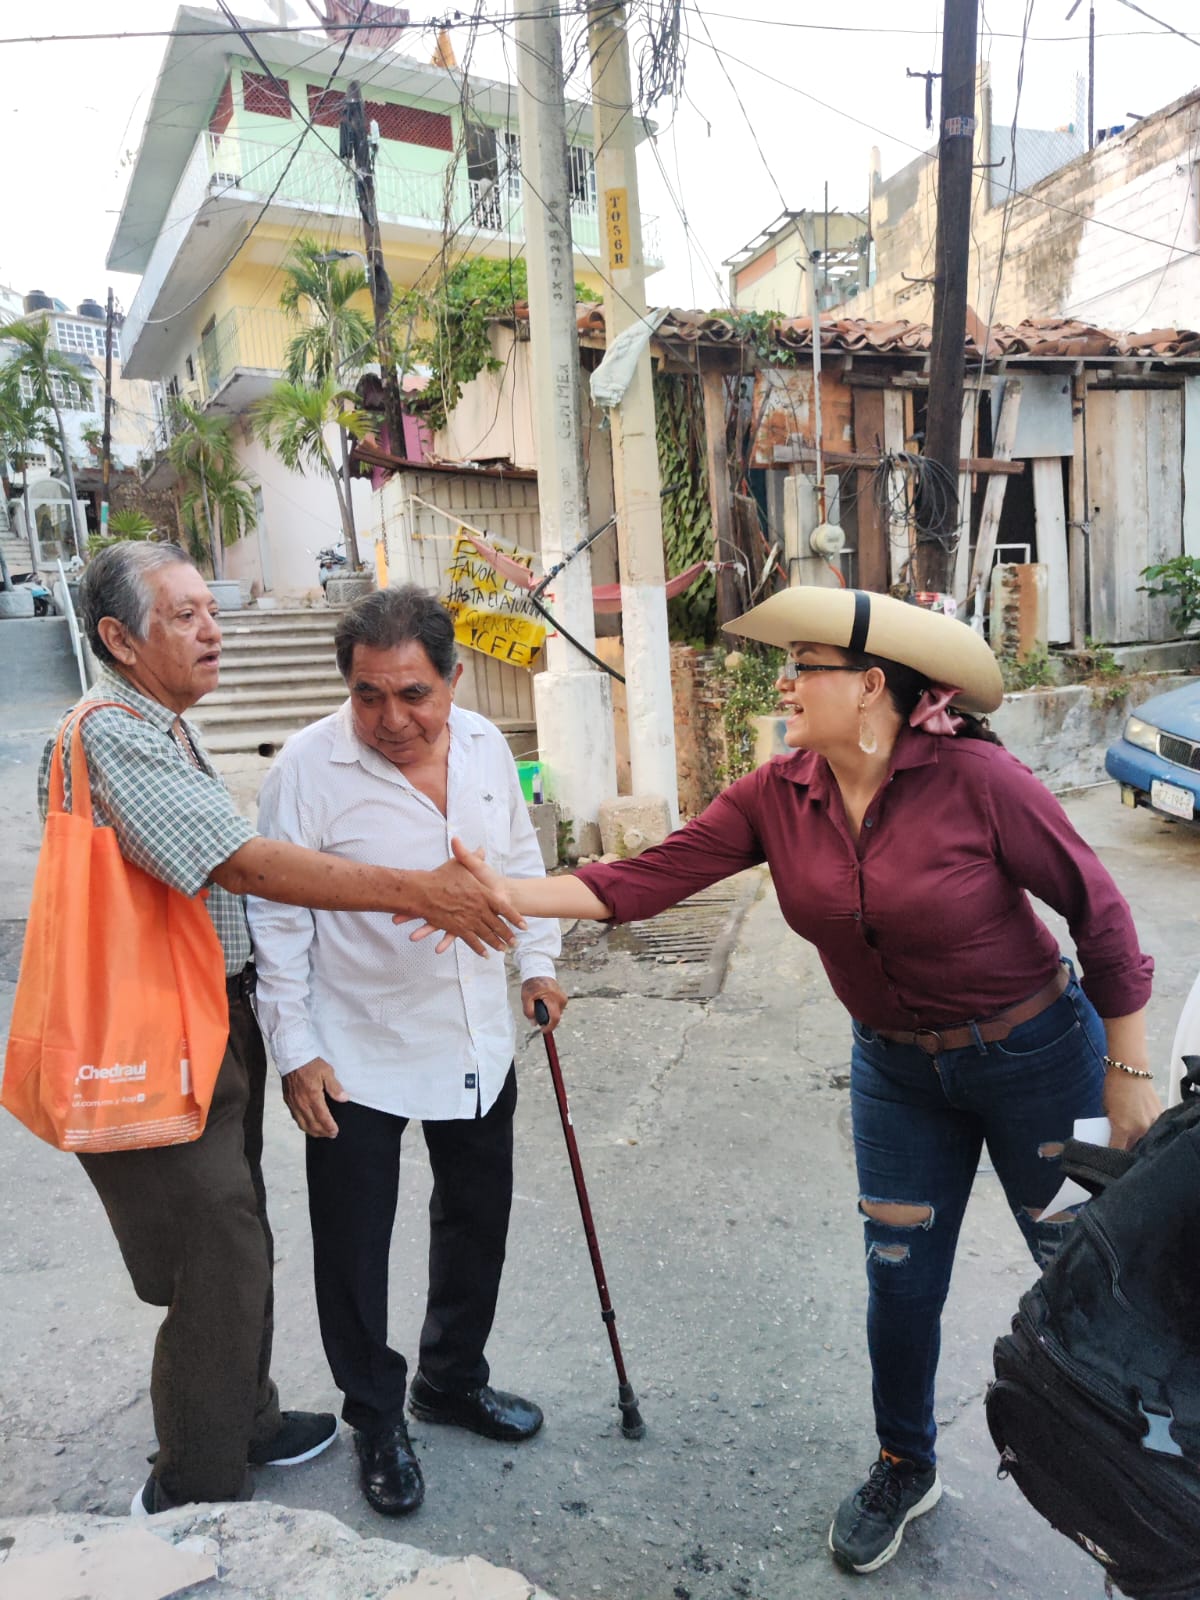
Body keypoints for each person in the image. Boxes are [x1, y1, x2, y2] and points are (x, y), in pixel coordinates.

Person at [439, 585, 1161, 1577]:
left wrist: (1129, 1072)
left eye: (805, 667)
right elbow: (645, 878)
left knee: (1087, 1272)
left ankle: (1159, 1485)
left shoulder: (979, 782)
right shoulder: (778, 793)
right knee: (899, 1281)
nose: (785, 681)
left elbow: (1101, 910)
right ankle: (906, 1462)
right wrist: (504, 891)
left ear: (871, 688)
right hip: (897, 1073)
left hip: (1035, 1056)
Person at [36, 542, 522, 1517]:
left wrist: (535, 959)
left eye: (205, 607)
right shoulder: (114, 732)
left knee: (244, 1235)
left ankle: (249, 1416)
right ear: (118, 639)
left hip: (218, 1020)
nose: (211, 627)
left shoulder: (163, 725)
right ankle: (197, 1487)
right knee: (217, 1247)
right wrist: (416, 897)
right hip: (159, 1025)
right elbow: (252, 873)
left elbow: (516, 853)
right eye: (181, 615)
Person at [247, 585, 565, 1519]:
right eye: (368, 694)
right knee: (354, 1245)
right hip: (356, 1048)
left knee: (477, 1218)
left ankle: (451, 1379)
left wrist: (540, 965)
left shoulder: (484, 748)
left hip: (473, 1033)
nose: (392, 719)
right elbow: (277, 916)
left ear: (454, 680)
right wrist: (296, 1049)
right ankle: (377, 1415)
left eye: (414, 694)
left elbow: (518, 865)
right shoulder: (305, 768)